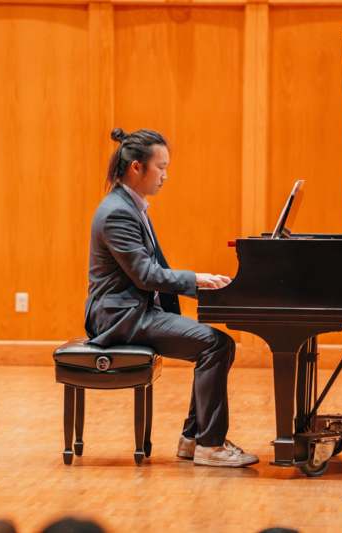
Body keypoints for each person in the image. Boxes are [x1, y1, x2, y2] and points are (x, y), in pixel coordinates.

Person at [84, 127, 258, 468]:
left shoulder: (130, 205)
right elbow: (146, 275)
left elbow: (148, 271)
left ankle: (194, 440)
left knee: (214, 344)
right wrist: (197, 279)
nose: (165, 175)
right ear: (137, 167)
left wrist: (197, 282)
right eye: (160, 167)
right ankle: (209, 445)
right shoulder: (118, 212)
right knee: (215, 345)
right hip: (119, 317)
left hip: (130, 310)